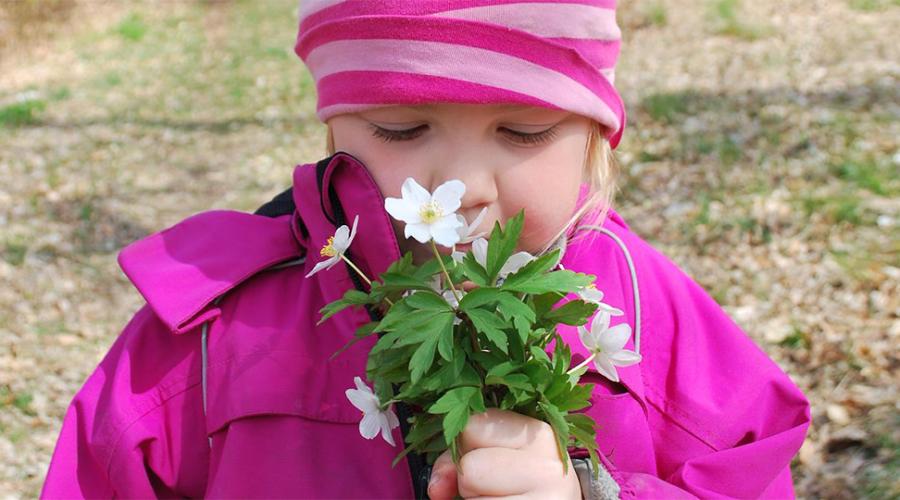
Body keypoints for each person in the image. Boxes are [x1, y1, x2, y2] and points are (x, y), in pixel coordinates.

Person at [41, 1, 810, 498]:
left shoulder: (641, 308)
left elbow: (755, 471)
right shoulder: (213, 342)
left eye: (524, 132)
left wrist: (594, 493)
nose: (462, 185)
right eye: (402, 130)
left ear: (592, 140)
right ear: (333, 130)